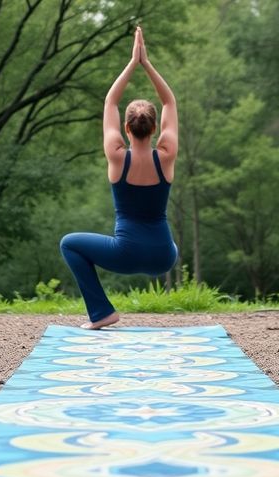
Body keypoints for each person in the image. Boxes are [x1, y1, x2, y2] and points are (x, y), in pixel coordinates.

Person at [60, 26, 179, 330]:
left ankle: (101, 313)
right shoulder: (166, 155)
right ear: (154, 129)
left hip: (124, 255)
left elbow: (110, 102)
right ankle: (102, 312)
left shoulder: (116, 155)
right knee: (170, 246)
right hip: (163, 257)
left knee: (69, 244)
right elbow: (170, 103)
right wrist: (146, 63)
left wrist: (132, 62)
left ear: (127, 129)